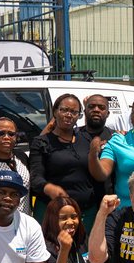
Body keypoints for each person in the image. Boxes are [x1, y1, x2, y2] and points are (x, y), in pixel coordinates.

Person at [29, 94, 102, 227]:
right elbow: (35, 177)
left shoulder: (87, 140)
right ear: (55, 112)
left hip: (85, 213)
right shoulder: (41, 142)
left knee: (85, 248)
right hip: (52, 212)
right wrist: (49, 188)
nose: (69, 115)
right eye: (64, 110)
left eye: (74, 112)